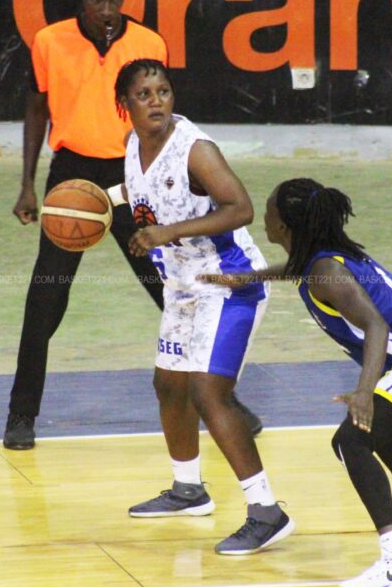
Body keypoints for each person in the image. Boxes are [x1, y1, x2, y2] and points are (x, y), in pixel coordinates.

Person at [5, 0, 261, 449]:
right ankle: (21, 414)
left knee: (172, 287)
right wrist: (27, 183)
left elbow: (163, 119)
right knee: (45, 297)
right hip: (73, 178)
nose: (107, 9)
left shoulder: (149, 42)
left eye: (114, 0)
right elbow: (37, 110)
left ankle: (223, 399)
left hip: (133, 172)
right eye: (97, 0)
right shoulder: (49, 41)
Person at [202, 177, 392, 587]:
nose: (265, 216)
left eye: (270, 210)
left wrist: (364, 392)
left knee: (352, 440)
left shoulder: (326, 272)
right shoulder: (316, 259)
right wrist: (250, 278)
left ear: (285, 225)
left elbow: (376, 326)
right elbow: (297, 270)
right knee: (372, 428)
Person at [111, 58, 293, 555]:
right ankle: (188, 489)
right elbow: (142, 189)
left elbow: (241, 208)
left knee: (210, 394)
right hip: (182, 284)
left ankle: (266, 511)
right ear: (124, 104)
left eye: (163, 92)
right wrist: (93, 202)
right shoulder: (132, 145)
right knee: (169, 385)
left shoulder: (195, 149)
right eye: (144, 94)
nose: (156, 102)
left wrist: (166, 232)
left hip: (229, 282)